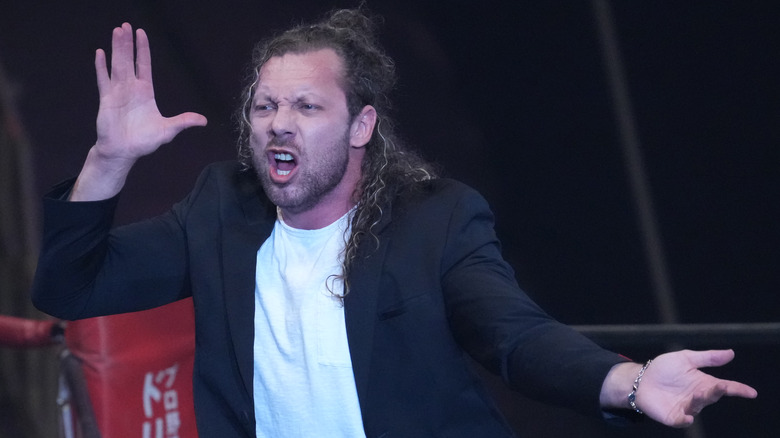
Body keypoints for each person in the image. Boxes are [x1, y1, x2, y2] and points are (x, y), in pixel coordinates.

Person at [32, 8, 756, 438]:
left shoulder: (433, 220)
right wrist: (108, 159)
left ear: (360, 124)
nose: (278, 125)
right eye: (263, 107)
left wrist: (627, 381)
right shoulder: (220, 210)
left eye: (306, 108)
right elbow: (69, 287)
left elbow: (515, 337)